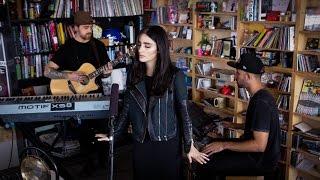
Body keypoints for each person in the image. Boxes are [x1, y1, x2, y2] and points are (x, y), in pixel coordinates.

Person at [96, 25, 209, 180]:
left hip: (167, 143)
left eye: (147, 45)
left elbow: (184, 113)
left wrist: (189, 146)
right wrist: (114, 134)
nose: (141, 49)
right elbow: (127, 108)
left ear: (159, 48)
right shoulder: (133, 74)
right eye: (139, 45)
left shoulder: (175, 76)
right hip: (141, 142)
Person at [44, 11, 113, 175]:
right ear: (75, 28)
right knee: (85, 135)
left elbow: (104, 72)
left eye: (91, 27)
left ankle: (105, 165)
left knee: (104, 131)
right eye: (85, 27)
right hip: (78, 98)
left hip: (98, 95)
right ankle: (89, 166)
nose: (89, 30)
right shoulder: (67, 48)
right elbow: (47, 71)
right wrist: (70, 75)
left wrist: (108, 71)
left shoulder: (98, 46)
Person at [197, 53, 281, 179]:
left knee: (206, 163)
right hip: (260, 154)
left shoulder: (260, 103)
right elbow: (261, 128)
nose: (235, 77)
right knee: (214, 145)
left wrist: (224, 145)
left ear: (247, 76)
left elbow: (259, 145)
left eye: (237, 73)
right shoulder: (262, 95)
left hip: (261, 160)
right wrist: (235, 125)